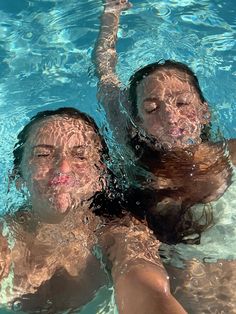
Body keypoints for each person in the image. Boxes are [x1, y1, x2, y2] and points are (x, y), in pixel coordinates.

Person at [0, 107, 187, 314]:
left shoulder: (120, 235)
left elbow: (148, 289)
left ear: (101, 177)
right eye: (43, 154)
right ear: (17, 177)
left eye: (80, 156)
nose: (63, 168)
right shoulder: (4, 236)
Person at [94, 0, 236, 244]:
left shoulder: (231, 154)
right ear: (137, 122)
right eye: (151, 108)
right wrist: (111, 14)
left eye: (182, 103)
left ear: (205, 113)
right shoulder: (132, 148)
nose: (170, 117)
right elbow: (105, 71)